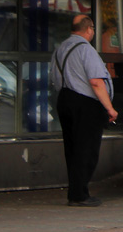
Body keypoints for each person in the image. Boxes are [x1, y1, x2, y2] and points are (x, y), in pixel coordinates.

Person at [49, 15, 118, 207]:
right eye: (93, 30)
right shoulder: (86, 50)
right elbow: (96, 82)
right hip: (85, 103)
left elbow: (54, 78)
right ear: (89, 29)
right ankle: (80, 194)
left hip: (65, 99)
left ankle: (75, 191)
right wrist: (109, 108)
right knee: (86, 149)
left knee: (72, 148)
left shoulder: (59, 50)